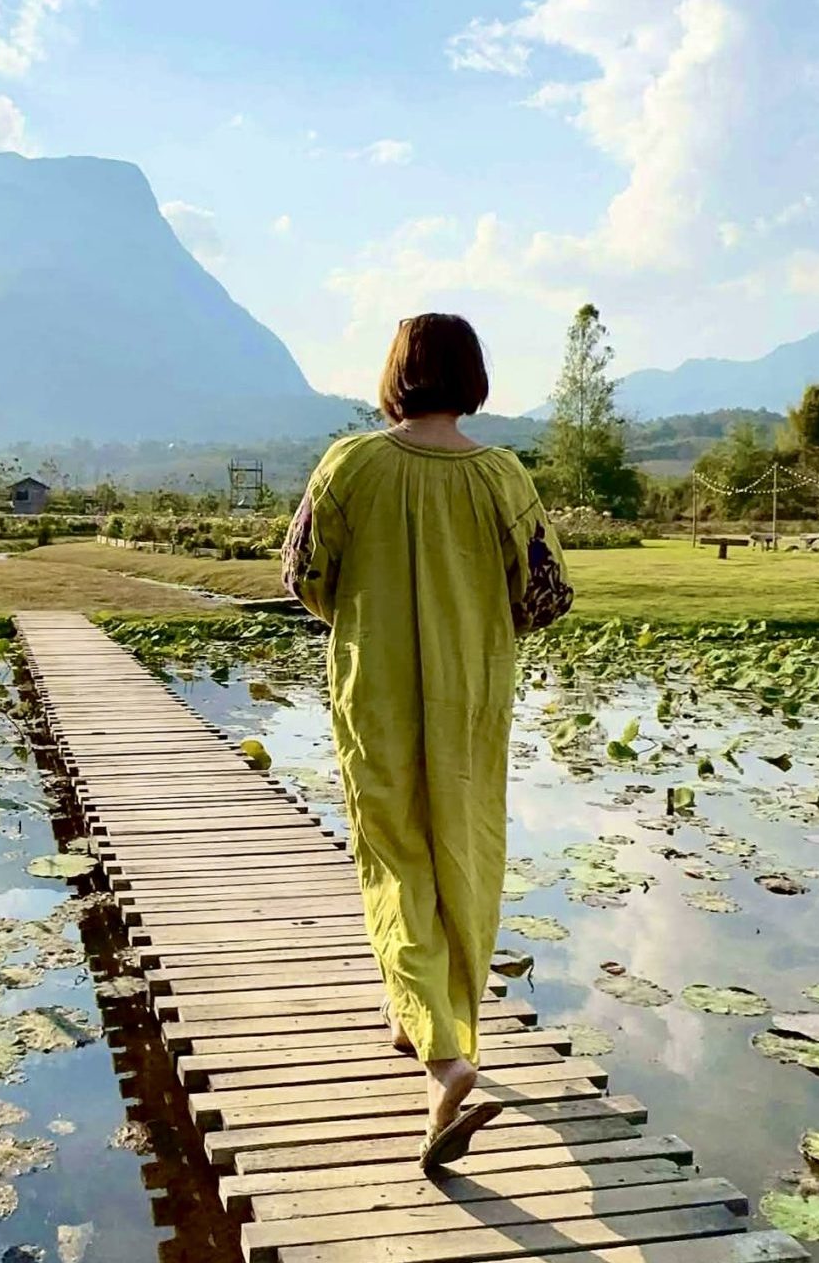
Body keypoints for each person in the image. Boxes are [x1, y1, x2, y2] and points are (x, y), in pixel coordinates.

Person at [281, 313, 573, 1171]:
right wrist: (477, 612)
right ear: (472, 376)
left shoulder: (350, 464)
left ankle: (444, 1057)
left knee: (395, 859)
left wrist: (364, 614)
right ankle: (434, 1023)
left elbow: (300, 575)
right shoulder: (502, 476)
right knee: (466, 856)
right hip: (471, 696)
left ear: (396, 375)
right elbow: (547, 592)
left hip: (375, 694)